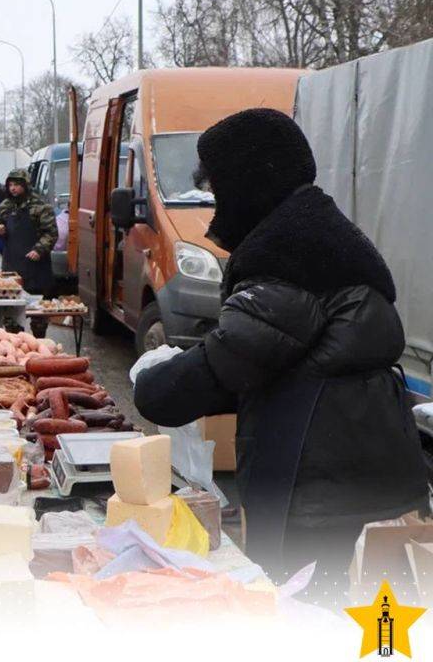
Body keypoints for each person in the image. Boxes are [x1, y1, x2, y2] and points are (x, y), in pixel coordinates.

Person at [133, 108, 427, 600]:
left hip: (323, 499)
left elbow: (228, 361)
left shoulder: (287, 260)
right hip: (364, 482)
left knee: (311, 621)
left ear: (248, 184)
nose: (213, 207)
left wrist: (153, 383)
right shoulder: (324, 238)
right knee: (375, 628)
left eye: (218, 190)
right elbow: (278, 363)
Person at [0, 169, 58, 295]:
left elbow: (51, 232)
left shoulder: (40, 206)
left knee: (35, 304)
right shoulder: (5, 205)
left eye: (16, 185)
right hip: (11, 263)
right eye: (10, 185)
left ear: (25, 185)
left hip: (35, 265)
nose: (13, 188)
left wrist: (39, 250)